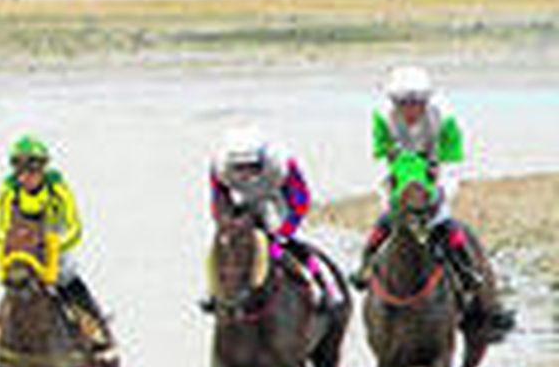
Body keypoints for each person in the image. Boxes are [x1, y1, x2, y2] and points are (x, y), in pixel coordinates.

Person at [354, 68, 514, 331]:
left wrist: (437, 188)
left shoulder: (445, 117)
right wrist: (395, 188)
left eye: (416, 104)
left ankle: (471, 275)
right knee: (386, 220)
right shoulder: (381, 116)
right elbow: (381, 156)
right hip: (402, 172)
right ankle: (365, 266)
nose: (410, 111)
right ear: (394, 103)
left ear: (426, 101)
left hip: (436, 171)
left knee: (445, 222)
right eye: (403, 104)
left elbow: (453, 161)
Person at [0, 135, 113, 352]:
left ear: (41, 170)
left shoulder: (58, 191)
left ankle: (96, 329)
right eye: (21, 172)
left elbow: (75, 228)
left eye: (31, 171)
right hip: (24, 254)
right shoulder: (9, 192)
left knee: (70, 282)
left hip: (55, 252)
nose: (26, 178)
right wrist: (12, 241)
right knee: (13, 285)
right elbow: (1, 225)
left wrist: (55, 244)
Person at [203, 125, 341, 311]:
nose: (246, 173)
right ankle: (211, 290)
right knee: (219, 239)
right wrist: (226, 222)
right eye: (240, 168)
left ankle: (323, 285)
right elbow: (218, 199)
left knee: (293, 242)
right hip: (242, 199)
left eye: (252, 167)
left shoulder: (282, 165)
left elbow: (300, 201)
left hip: (276, 196)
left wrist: (285, 232)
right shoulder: (220, 168)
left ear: (262, 160)